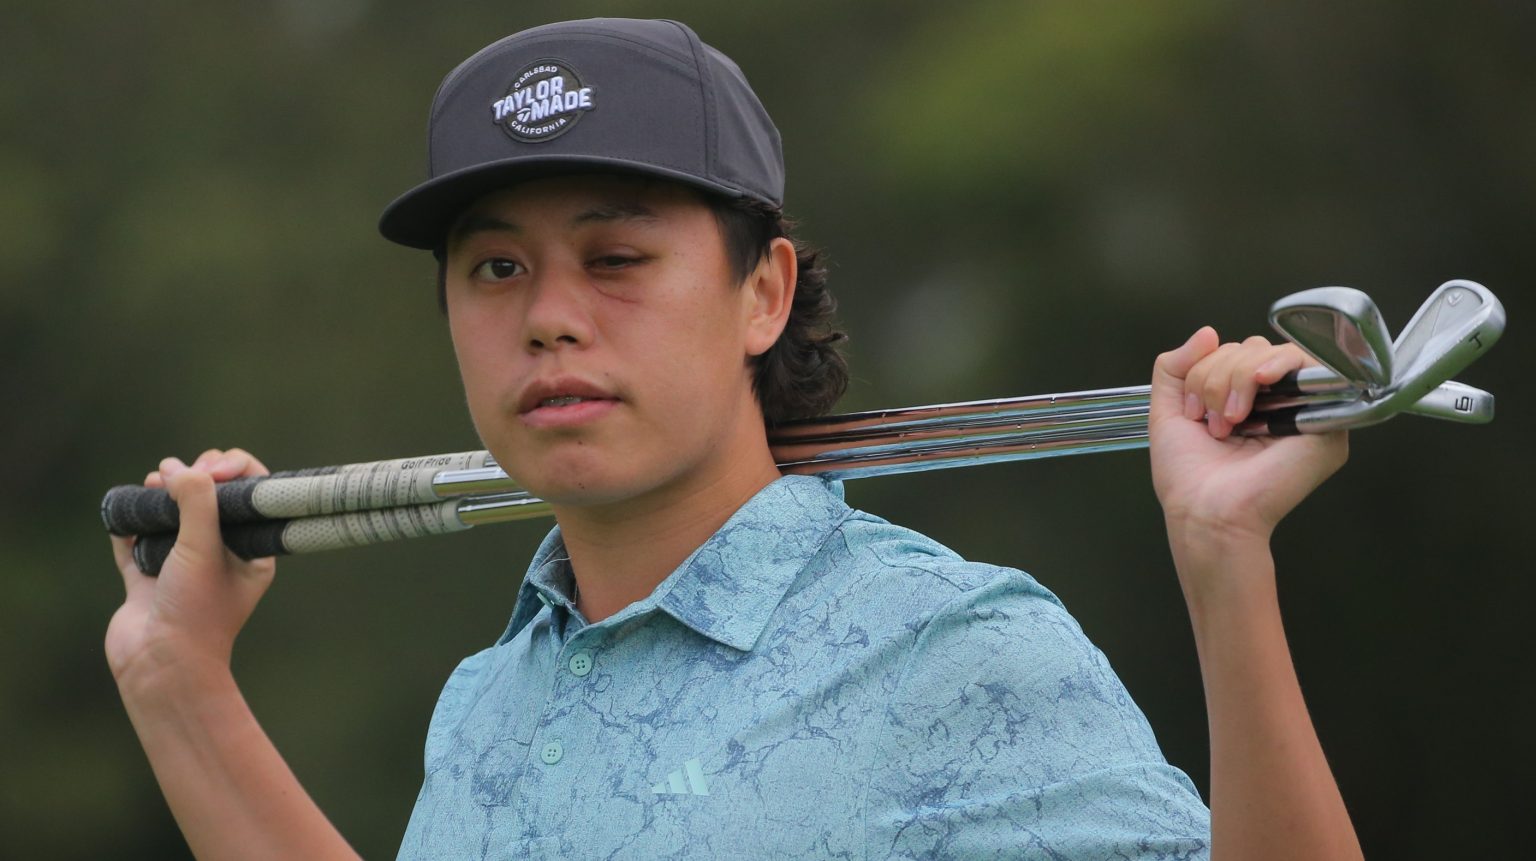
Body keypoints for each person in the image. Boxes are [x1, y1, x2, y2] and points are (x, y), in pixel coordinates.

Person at [105, 18, 1364, 860]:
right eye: (496, 268)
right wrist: (178, 684)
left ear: (762, 292)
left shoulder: (956, 652)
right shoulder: (487, 703)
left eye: (616, 259)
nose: (548, 318)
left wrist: (1221, 564)